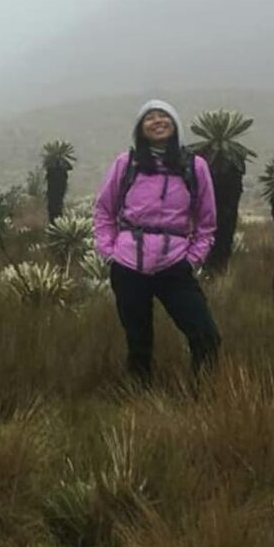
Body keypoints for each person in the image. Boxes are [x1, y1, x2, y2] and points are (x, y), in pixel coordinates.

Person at [94, 99, 221, 384]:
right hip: (128, 264)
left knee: (206, 335)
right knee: (138, 341)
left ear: (175, 124)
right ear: (140, 128)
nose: (157, 121)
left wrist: (193, 259)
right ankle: (139, 396)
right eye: (149, 117)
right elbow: (104, 210)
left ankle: (203, 395)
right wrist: (108, 251)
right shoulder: (126, 164)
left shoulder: (194, 166)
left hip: (174, 264)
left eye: (164, 115)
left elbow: (206, 221)